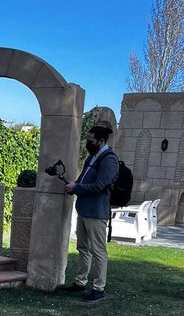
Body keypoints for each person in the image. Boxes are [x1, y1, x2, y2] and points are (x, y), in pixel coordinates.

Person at [62, 124, 119, 303]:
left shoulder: (109, 160)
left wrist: (77, 187)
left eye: (91, 140)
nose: (88, 143)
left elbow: (100, 186)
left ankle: (98, 288)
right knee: (83, 248)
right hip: (84, 210)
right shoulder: (92, 157)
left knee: (99, 251)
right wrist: (74, 186)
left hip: (97, 213)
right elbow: (83, 180)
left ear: (101, 141)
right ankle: (80, 282)